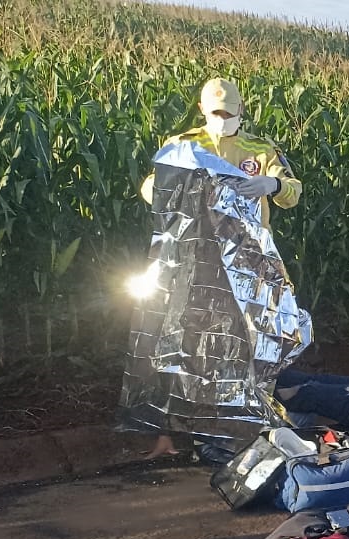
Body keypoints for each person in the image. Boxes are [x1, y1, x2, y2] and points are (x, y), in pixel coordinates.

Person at [137, 77, 303, 460]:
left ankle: (239, 431)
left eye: (230, 113)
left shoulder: (260, 150)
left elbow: (293, 193)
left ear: (241, 112)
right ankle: (174, 436)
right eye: (216, 113)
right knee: (183, 345)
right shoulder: (183, 145)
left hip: (246, 265)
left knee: (245, 347)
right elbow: (150, 189)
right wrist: (176, 186)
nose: (223, 119)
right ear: (202, 111)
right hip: (193, 261)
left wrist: (272, 184)